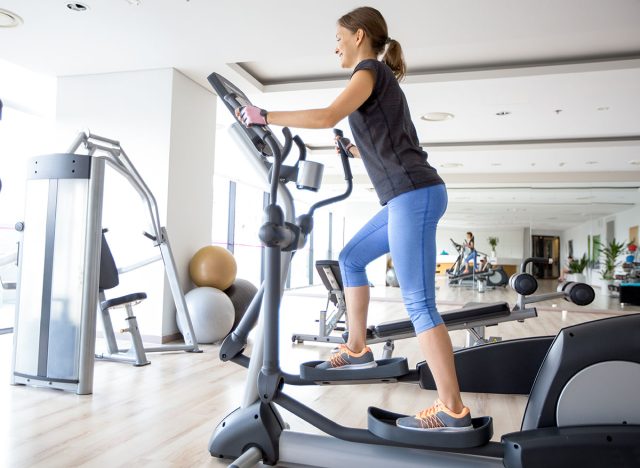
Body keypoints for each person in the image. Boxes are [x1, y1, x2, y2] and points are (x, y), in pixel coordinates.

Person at [236, 6, 472, 432]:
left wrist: (265, 115)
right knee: (350, 258)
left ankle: (452, 409)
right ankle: (358, 347)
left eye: (339, 39)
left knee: (419, 304)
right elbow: (394, 142)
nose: (336, 47)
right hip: (406, 196)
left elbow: (326, 116)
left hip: (413, 195)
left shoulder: (368, 72)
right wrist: (357, 151)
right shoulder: (380, 82)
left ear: (359, 36)